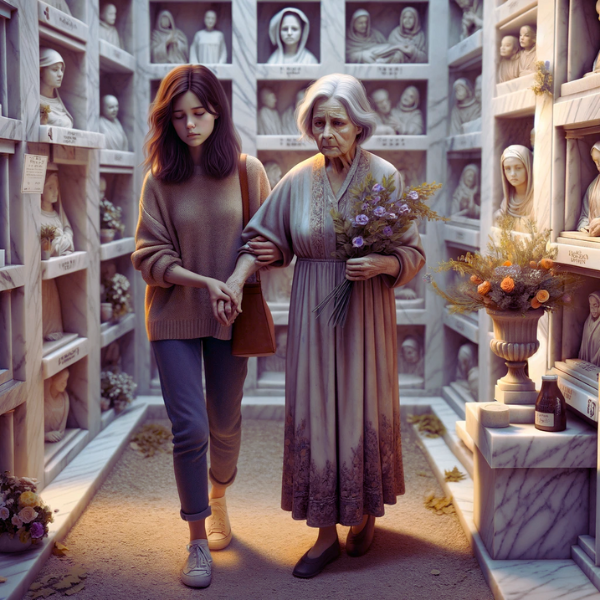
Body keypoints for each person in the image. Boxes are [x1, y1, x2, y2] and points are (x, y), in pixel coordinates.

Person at [225, 73, 425, 578]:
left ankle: (362, 516)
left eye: (337, 122)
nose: (327, 132)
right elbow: (264, 238)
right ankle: (322, 535)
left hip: (366, 313)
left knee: (360, 406)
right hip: (314, 309)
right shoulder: (297, 178)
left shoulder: (385, 177)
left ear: (359, 125)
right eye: (319, 122)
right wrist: (251, 267)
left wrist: (383, 265)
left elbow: (413, 251)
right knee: (316, 408)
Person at [131, 65, 270, 589]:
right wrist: (204, 282)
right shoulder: (158, 179)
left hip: (229, 318)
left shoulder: (245, 169)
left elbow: (265, 242)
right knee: (189, 429)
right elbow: (148, 255)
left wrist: (231, 283)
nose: (190, 125)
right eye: (180, 115)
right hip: (173, 317)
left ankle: (218, 497)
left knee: (225, 424)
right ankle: (195, 541)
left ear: (218, 112)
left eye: (200, 113)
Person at [493, 145, 534, 232]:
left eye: (518, 168)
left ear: (528, 167)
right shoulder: (506, 203)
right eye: (507, 168)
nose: (512, 174)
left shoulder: (536, 201)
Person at [39, 48, 74, 129]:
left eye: (61, 70)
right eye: (55, 69)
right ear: (40, 71)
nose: (60, 74)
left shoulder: (60, 104)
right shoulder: (36, 102)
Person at [576, 142, 600, 237]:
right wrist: (585, 226)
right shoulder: (593, 186)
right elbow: (584, 216)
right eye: (595, 162)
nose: (598, 166)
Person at [579, 291, 600, 367]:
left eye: (595, 305)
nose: (592, 308)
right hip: (587, 365)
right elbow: (583, 346)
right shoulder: (587, 323)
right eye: (590, 305)